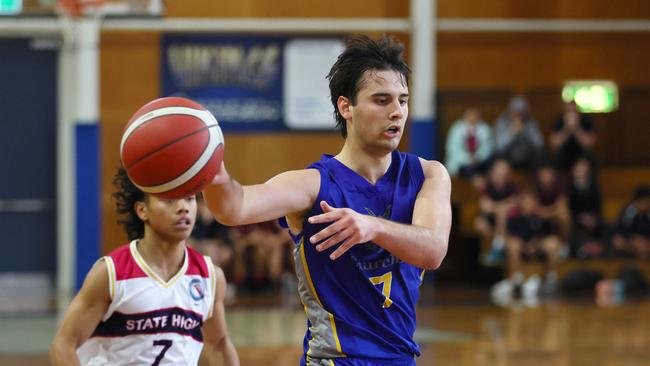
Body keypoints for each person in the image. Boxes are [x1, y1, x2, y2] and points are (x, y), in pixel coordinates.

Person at [204, 35, 451, 365]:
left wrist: (371, 227)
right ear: (345, 106)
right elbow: (234, 208)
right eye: (381, 100)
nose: (396, 112)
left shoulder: (429, 175)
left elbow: (433, 250)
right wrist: (213, 174)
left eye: (402, 101)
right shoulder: (312, 184)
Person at [50, 168, 239, 366]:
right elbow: (63, 345)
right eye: (169, 200)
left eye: (190, 199)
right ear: (142, 210)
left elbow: (218, 343)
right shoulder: (111, 273)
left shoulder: (210, 276)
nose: (183, 207)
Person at [493, 95, 544, 171]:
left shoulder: (531, 122)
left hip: (528, 158)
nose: (518, 116)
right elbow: (498, 147)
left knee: (541, 158)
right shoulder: (501, 122)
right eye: (515, 112)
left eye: (521, 113)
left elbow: (539, 145)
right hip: (508, 158)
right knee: (497, 160)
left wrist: (525, 133)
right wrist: (511, 133)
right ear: (509, 111)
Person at [444, 107, 493, 180]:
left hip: (479, 161)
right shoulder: (456, 130)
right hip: (460, 162)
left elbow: (487, 148)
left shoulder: (485, 129)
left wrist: (477, 158)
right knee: (467, 170)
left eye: (475, 119)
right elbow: (452, 150)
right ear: (464, 118)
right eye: (470, 118)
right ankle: (477, 180)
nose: (472, 120)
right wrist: (468, 159)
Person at [550, 100, 597, 172]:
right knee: (555, 156)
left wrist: (577, 128)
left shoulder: (586, 120)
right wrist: (566, 129)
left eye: (573, 111)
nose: (571, 114)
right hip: (564, 153)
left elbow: (589, 144)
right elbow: (554, 144)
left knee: (590, 156)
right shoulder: (559, 120)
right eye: (568, 111)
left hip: (581, 153)